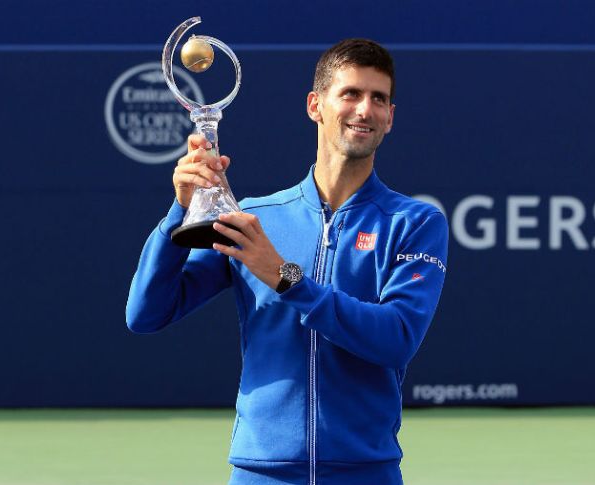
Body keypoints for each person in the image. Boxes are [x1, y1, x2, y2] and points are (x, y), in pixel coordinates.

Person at [126, 38, 449, 485]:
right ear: (315, 106)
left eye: (379, 99)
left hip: (364, 473)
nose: (365, 109)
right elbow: (146, 313)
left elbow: (396, 338)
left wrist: (286, 277)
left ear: (390, 118)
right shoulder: (255, 219)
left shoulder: (415, 222)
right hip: (262, 473)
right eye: (350, 94)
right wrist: (179, 213)